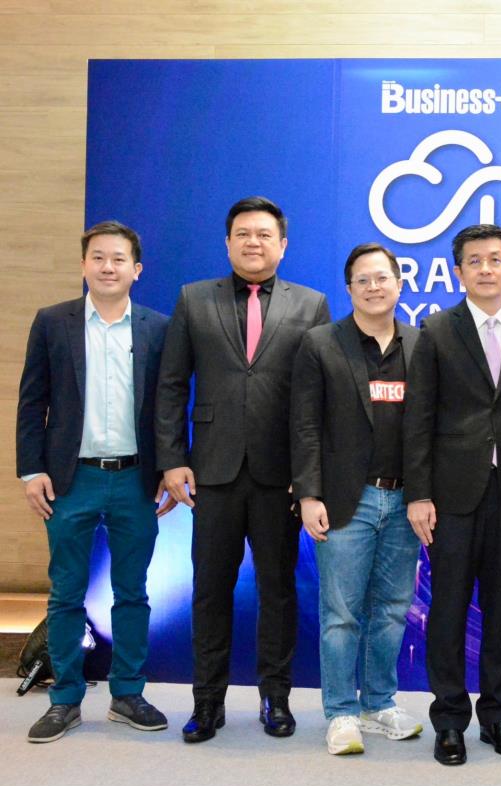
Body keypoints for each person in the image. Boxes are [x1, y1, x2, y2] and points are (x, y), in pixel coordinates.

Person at [156, 196, 330, 743]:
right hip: (212, 471)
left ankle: (275, 699)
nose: (253, 242)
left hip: (281, 476)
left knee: (279, 591)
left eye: (264, 234)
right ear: (228, 242)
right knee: (210, 590)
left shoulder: (312, 304)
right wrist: (172, 459)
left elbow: (317, 399)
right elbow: (171, 385)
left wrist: (309, 475)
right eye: (243, 234)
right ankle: (206, 702)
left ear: (283, 244)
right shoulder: (193, 298)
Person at [17, 221, 173, 743]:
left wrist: (170, 466)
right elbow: (32, 401)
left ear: (137, 269)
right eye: (99, 257)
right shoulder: (52, 322)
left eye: (119, 259)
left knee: (133, 592)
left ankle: (127, 694)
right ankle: (64, 699)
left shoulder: (157, 327)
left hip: (135, 478)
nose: (109, 267)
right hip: (71, 479)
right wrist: (31, 469)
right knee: (66, 592)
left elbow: (170, 405)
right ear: (84, 264)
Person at [404, 224, 501, 766]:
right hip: (451, 496)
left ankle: (497, 717)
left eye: (495, 259)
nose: (486, 269)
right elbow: (417, 418)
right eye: (474, 261)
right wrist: (419, 493)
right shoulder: (436, 329)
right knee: (446, 610)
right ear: (458, 272)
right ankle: (449, 720)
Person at [291, 243, 424, 756]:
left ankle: (379, 704)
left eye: (382, 278)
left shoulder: (421, 344)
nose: (373, 287)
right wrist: (309, 494)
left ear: (399, 284)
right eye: (362, 280)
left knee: (391, 609)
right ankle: (341, 712)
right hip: (348, 499)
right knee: (341, 614)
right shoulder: (321, 343)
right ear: (349, 289)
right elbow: (304, 425)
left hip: (405, 500)